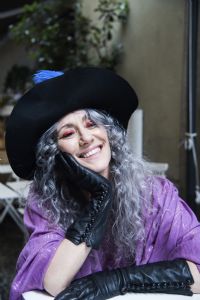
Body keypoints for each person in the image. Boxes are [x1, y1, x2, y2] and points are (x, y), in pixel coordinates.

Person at [5, 67, 200, 300]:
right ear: (53, 154)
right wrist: (100, 199)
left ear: (109, 133)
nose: (86, 138)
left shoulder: (156, 194)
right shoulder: (46, 203)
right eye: (68, 134)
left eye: (92, 125)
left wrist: (120, 280)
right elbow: (55, 282)